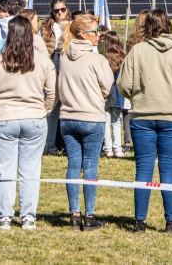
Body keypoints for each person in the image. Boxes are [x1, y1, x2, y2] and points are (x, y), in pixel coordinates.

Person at [117, 9, 172, 234]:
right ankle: (171, 222)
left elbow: (123, 83)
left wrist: (137, 95)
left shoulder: (137, 50)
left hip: (142, 115)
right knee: (168, 170)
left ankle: (139, 222)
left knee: (142, 169)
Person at [0, 16, 55, 231]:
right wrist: (45, 110)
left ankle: (4, 216)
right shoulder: (43, 61)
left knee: (4, 170)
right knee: (30, 169)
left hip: (3, 119)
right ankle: (28, 217)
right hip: (34, 118)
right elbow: (52, 92)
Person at [56, 13, 113, 231]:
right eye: (95, 32)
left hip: (68, 117)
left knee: (73, 165)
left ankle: (74, 213)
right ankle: (89, 214)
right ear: (82, 34)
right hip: (91, 118)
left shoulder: (63, 55)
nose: (99, 35)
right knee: (90, 166)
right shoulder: (97, 59)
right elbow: (108, 87)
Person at [43, 0, 70, 156]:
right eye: (56, 10)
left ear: (67, 9)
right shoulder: (47, 28)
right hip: (52, 73)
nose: (60, 13)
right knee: (51, 111)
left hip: (69, 74)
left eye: (62, 9)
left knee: (68, 110)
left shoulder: (73, 26)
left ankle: (68, 146)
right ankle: (49, 145)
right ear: (52, 12)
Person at [103, 32, 126, 158]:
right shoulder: (122, 57)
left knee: (106, 121)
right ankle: (117, 148)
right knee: (117, 122)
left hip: (106, 93)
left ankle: (108, 149)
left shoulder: (103, 57)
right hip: (118, 93)